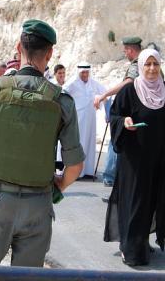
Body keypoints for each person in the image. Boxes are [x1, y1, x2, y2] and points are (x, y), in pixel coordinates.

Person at [0, 19, 84, 267]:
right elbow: (75, 166)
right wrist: (55, 189)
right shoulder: (62, 101)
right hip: (40, 206)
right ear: (51, 53)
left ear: (18, 47)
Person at [104, 49, 165, 266]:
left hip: (158, 160)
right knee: (135, 202)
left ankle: (141, 241)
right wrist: (124, 122)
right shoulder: (130, 91)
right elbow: (115, 116)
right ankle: (129, 248)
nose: (151, 69)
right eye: (147, 64)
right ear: (140, 66)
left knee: (151, 202)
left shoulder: (164, 91)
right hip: (134, 161)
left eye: (155, 64)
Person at [94, 36, 142, 187]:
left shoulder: (137, 64)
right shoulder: (149, 61)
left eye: (125, 51)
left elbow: (128, 82)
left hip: (131, 111)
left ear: (131, 50)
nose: (125, 54)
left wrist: (104, 95)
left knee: (117, 140)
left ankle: (111, 178)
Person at [64, 62, 106, 179]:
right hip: (78, 118)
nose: (85, 74)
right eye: (83, 72)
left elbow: (105, 93)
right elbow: (63, 93)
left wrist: (100, 101)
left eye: (87, 72)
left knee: (90, 143)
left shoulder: (93, 83)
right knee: (80, 143)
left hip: (91, 119)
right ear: (78, 73)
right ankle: (77, 172)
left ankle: (88, 171)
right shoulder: (73, 82)